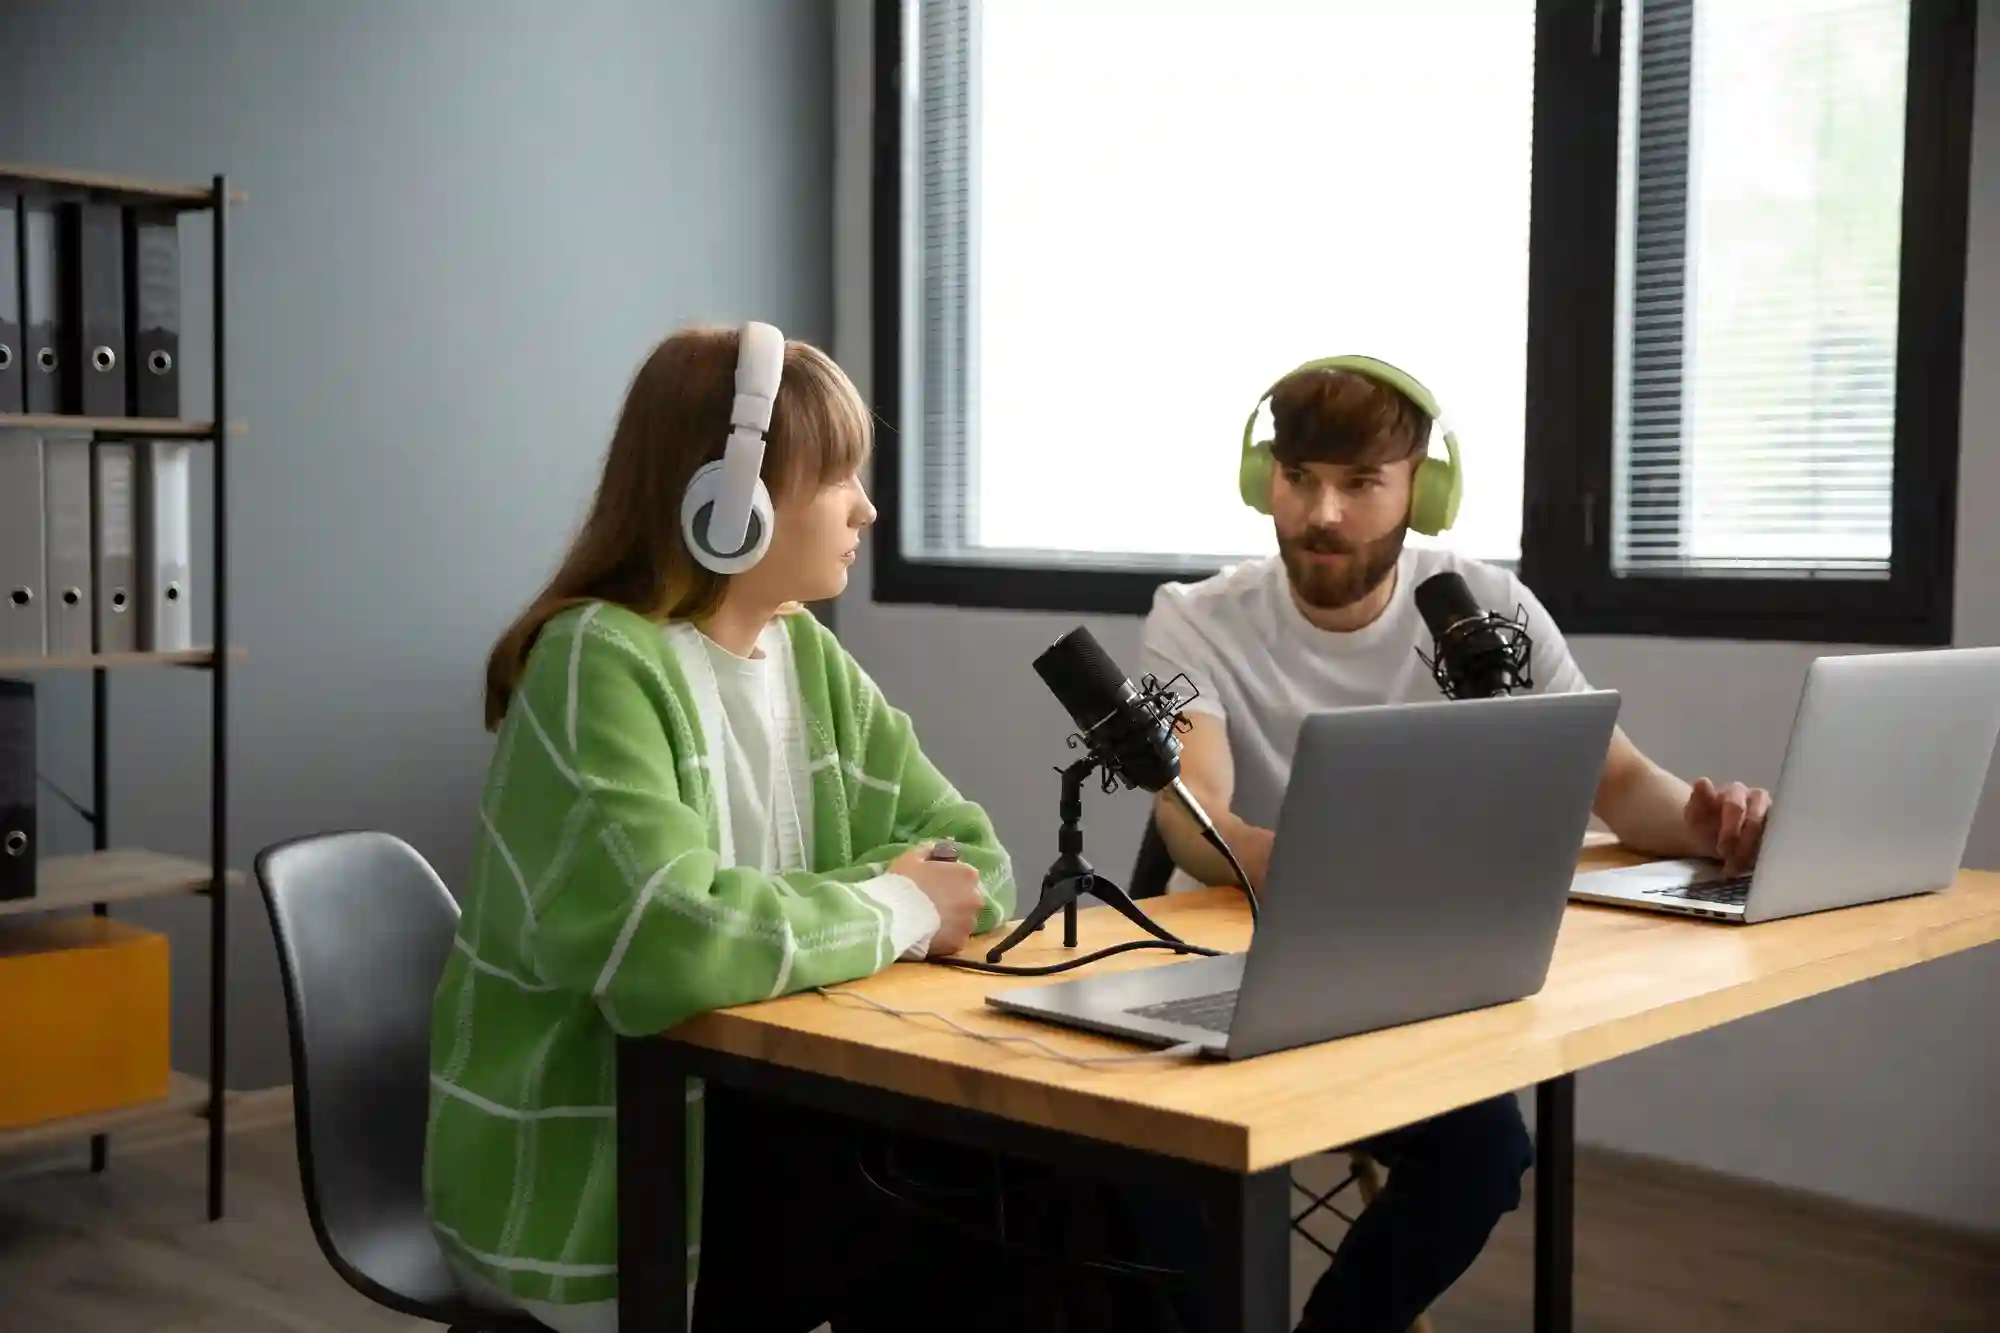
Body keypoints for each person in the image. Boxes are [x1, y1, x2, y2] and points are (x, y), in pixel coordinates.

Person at [1135, 355, 1775, 1333]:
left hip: (1399, 984)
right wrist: (1312, 868)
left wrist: (1713, 819)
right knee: (1158, 1176)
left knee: (1484, 1155)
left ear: (1421, 492)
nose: (1322, 513)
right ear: (1262, 476)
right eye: (1299, 477)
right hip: (1232, 967)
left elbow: (1614, 781)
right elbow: (1191, 809)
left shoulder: (1482, 609)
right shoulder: (1189, 618)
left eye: (1359, 484)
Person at [422, 322, 1019, 1333]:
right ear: (728, 499)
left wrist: (827, 913)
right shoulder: (594, 662)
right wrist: (889, 902)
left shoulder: (805, 657)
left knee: (1052, 1193)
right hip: (623, 1157)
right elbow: (668, 944)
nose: (866, 510)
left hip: (766, 1112)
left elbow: (972, 859)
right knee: (993, 1211)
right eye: (840, 481)